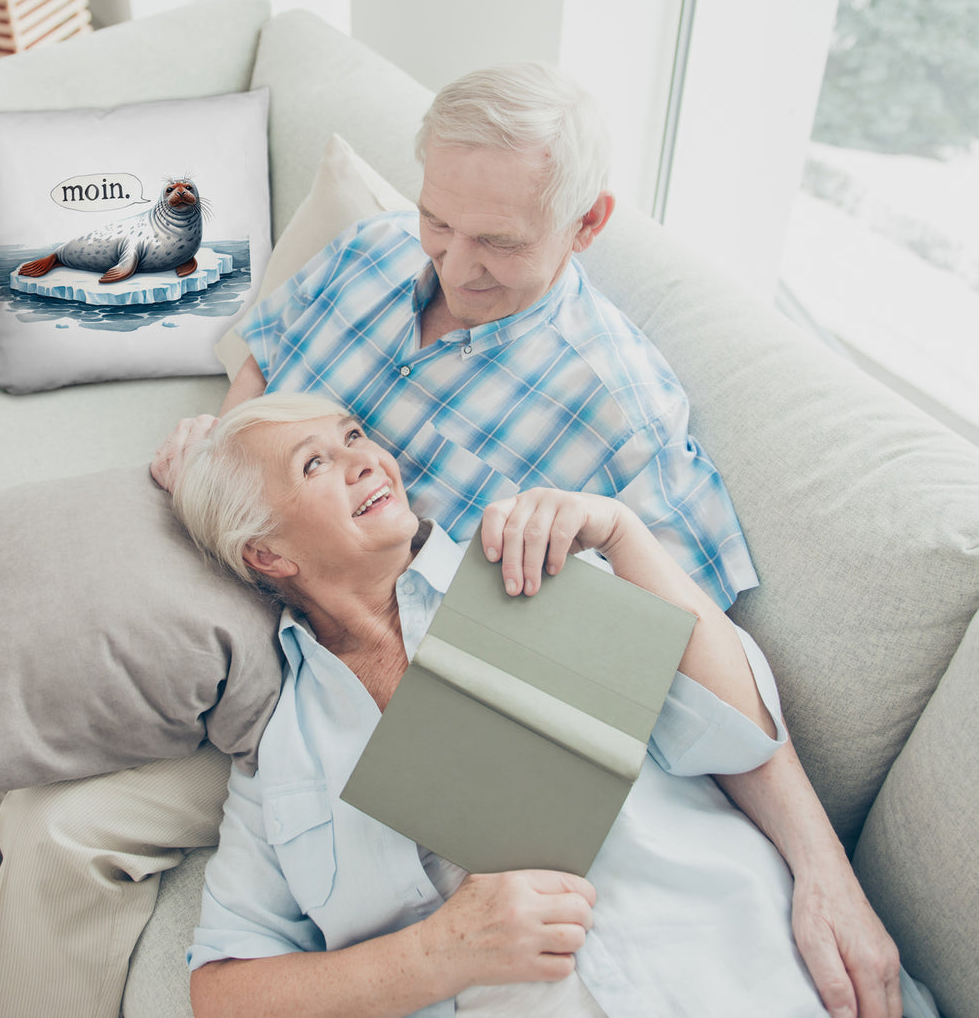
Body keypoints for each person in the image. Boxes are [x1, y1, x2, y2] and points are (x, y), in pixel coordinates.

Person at [0, 64, 896, 1018]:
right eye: (439, 219)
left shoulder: (618, 411)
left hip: (341, 656)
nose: (452, 261)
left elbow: (692, 659)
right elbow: (262, 363)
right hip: (251, 550)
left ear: (585, 224)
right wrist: (222, 445)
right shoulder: (373, 251)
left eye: (497, 242)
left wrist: (822, 867)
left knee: (65, 827)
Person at [173, 393, 926, 1018]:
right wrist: (438, 954)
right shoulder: (282, 755)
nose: (366, 459)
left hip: (751, 973)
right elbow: (223, 992)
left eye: (353, 436)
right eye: (316, 463)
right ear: (267, 554)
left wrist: (624, 535)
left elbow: (738, 733)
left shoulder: (528, 567)